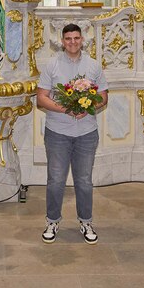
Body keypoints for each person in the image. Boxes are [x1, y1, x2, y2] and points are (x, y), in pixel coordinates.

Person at [36, 24, 108, 244]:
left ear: (82, 39)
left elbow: (104, 97)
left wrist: (87, 106)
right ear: (62, 41)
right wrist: (66, 108)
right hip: (57, 132)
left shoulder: (93, 65)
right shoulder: (52, 64)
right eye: (68, 39)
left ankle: (86, 221)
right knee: (56, 180)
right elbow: (41, 98)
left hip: (86, 132)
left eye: (76, 38)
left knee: (84, 181)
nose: (73, 42)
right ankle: (52, 221)